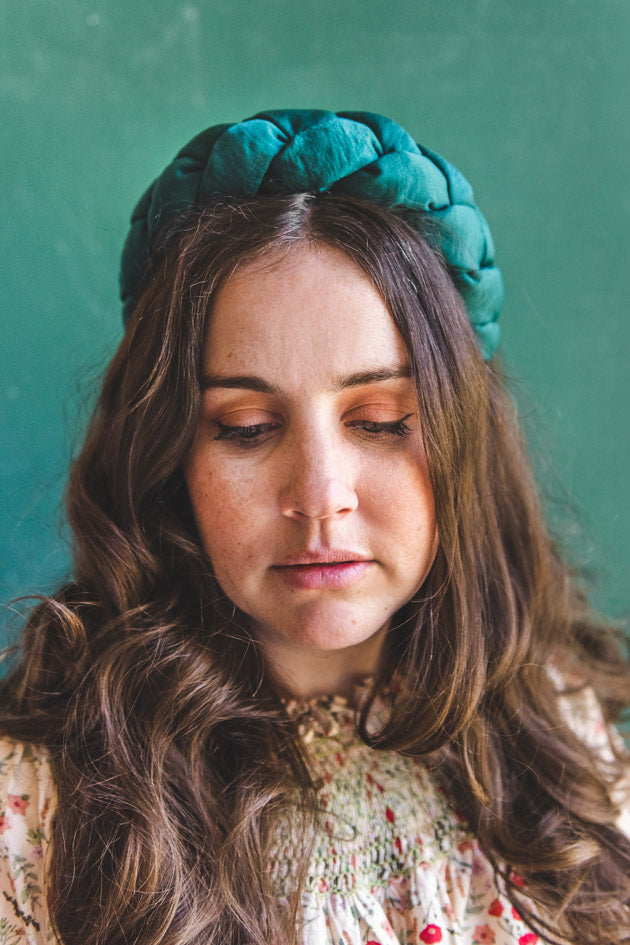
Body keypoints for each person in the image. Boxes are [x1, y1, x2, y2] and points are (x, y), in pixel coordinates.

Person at [0, 110, 628, 945]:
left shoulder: (562, 725)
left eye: (377, 419)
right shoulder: (42, 795)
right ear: (168, 455)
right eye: (249, 427)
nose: (321, 495)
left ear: (458, 437)